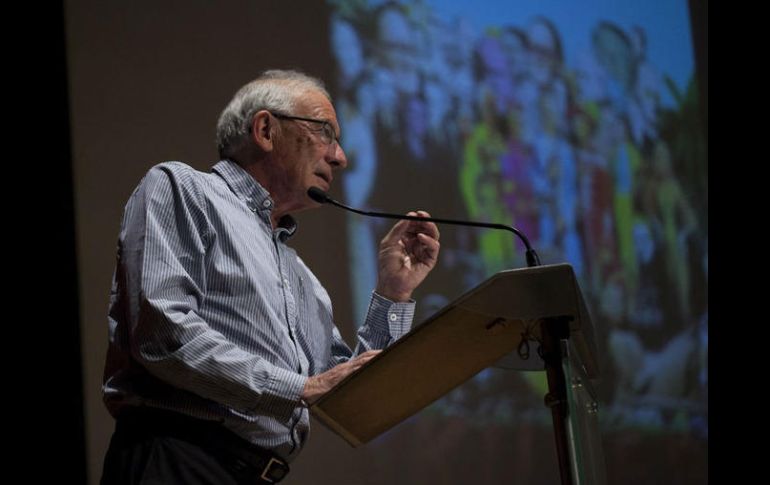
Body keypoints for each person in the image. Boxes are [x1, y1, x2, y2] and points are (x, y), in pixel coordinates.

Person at [100, 69, 441, 485]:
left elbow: (351, 400)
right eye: (326, 133)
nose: (340, 157)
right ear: (265, 129)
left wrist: (393, 291)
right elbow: (163, 335)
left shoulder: (302, 280)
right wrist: (297, 389)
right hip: (178, 460)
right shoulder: (183, 189)